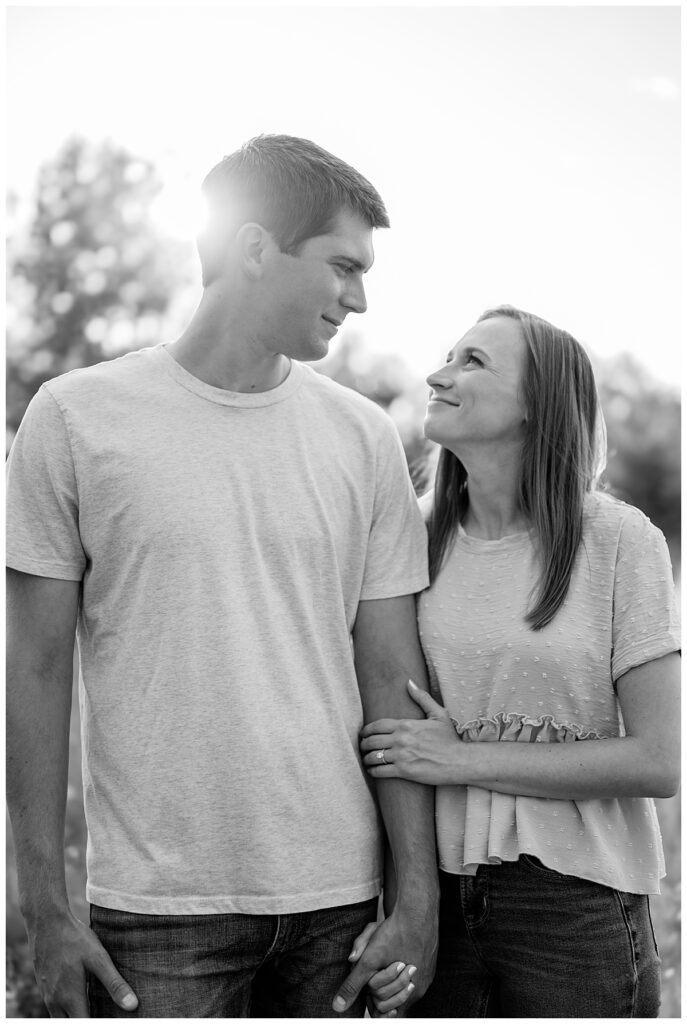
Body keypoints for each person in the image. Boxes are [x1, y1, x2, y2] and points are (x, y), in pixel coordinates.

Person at [6, 134, 439, 1019]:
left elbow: (391, 682)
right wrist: (42, 907)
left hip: (338, 906)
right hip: (158, 912)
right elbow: (35, 673)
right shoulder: (76, 418)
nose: (358, 299)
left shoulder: (363, 440)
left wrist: (418, 901)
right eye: (342, 266)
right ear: (252, 248)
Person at [356, 305, 680, 1017]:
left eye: (473, 361)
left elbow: (658, 761)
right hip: (434, 889)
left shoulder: (620, 542)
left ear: (537, 405)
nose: (439, 375)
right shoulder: (408, 535)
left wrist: (461, 760)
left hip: (574, 903)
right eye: (447, 356)